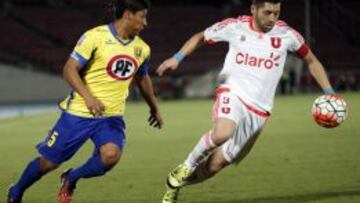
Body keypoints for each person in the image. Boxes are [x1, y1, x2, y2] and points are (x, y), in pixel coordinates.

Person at [156, 0, 336, 202]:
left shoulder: (287, 35)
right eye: (267, 12)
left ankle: (175, 182)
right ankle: (186, 165)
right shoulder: (234, 26)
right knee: (223, 132)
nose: (272, 18)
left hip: (260, 110)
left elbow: (312, 60)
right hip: (233, 91)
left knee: (215, 165)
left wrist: (329, 91)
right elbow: (201, 37)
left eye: (276, 13)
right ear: (253, 9)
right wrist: (176, 58)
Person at [7, 0, 163, 203]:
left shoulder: (142, 49)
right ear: (127, 15)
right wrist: (88, 98)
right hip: (79, 114)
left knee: (110, 156)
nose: (146, 23)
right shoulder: (95, 37)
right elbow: (69, 69)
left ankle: (71, 177)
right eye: (142, 16)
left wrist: (154, 108)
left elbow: (142, 78)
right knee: (49, 163)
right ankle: (16, 191)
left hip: (111, 116)